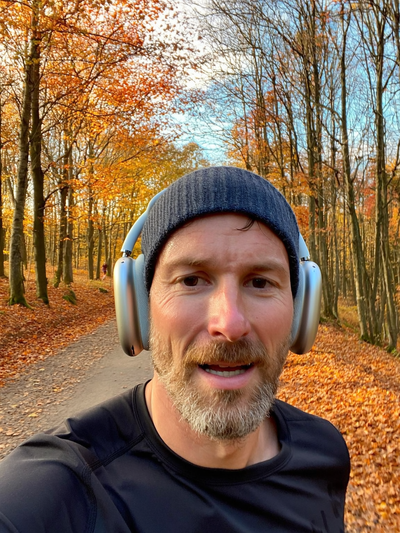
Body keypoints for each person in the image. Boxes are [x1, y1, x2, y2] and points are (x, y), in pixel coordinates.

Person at [0, 167, 350, 532]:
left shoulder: (324, 453)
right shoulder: (53, 495)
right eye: (191, 280)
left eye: (260, 282)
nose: (229, 324)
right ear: (139, 306)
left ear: (300, 312)